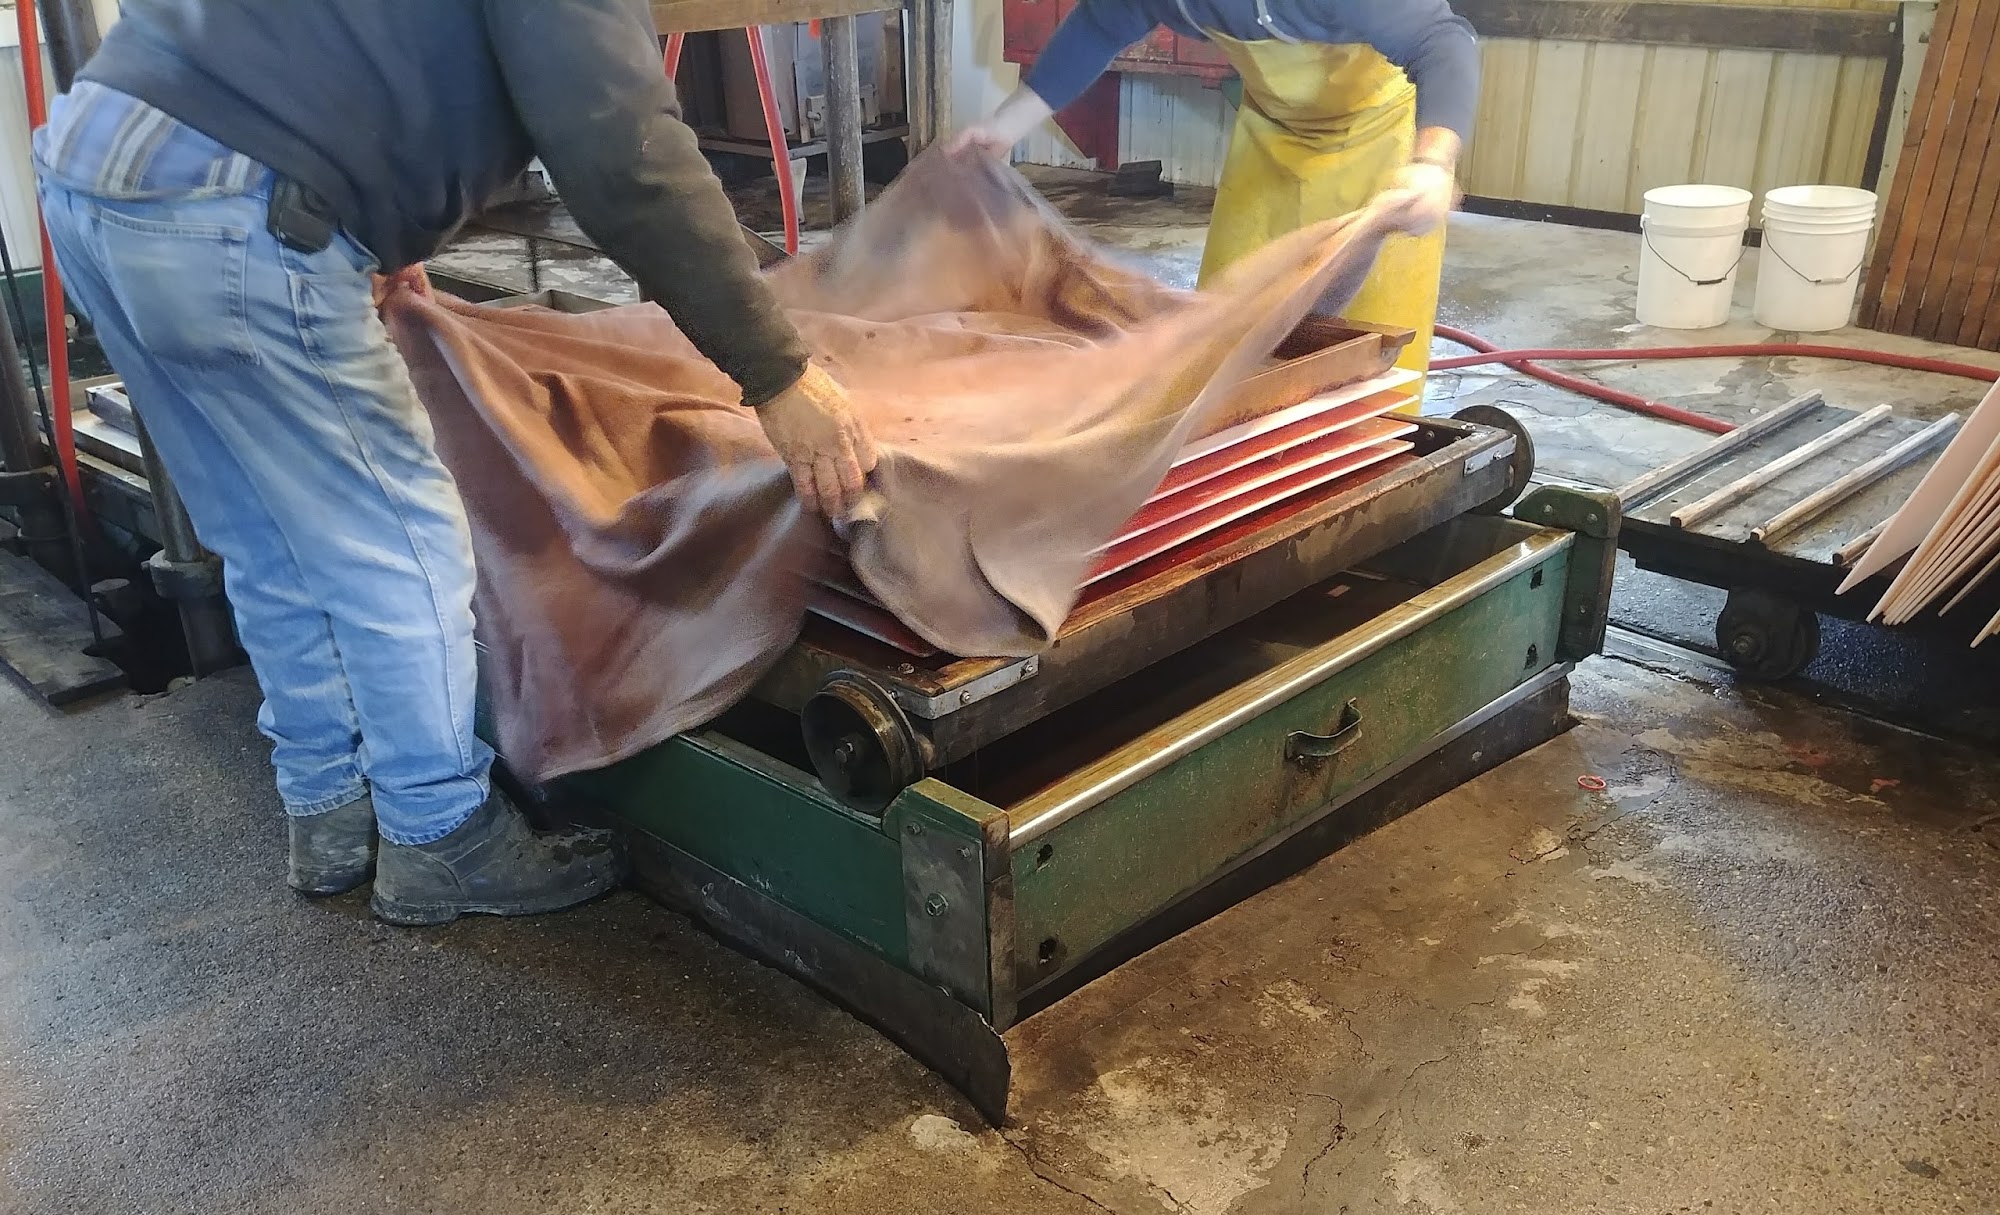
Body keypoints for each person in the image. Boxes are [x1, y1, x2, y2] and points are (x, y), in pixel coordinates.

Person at [33, 0, 881, 926]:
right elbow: (623, 153)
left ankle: (326, 810)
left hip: (99, 165)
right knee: (398, 546)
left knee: (265, 536)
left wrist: (381, 230)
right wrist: (777, 373)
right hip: (234, 202)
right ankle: (439, 833)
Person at [955, 0, 1478, 384]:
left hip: (1382, 142)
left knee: (1370, 360)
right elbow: (1100, 23)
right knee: (1222, 339)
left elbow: (1443, 41)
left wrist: (1432, 164)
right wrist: (1006, 125)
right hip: (1274, 134)